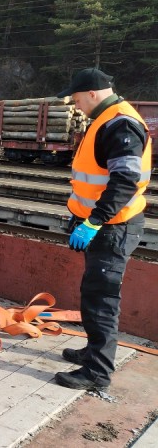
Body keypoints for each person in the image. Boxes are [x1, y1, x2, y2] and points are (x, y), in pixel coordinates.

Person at [53, 68, 152, 392]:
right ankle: (93, 352)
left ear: (93, 94)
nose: (77, 105)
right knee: (94, 294)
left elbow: (124, 180)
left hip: (112, 226)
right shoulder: (108, 118)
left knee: (102, 300)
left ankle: (97, 373)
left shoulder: (119, 123)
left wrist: (94, 220)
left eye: (78, 99)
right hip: (103, 225)